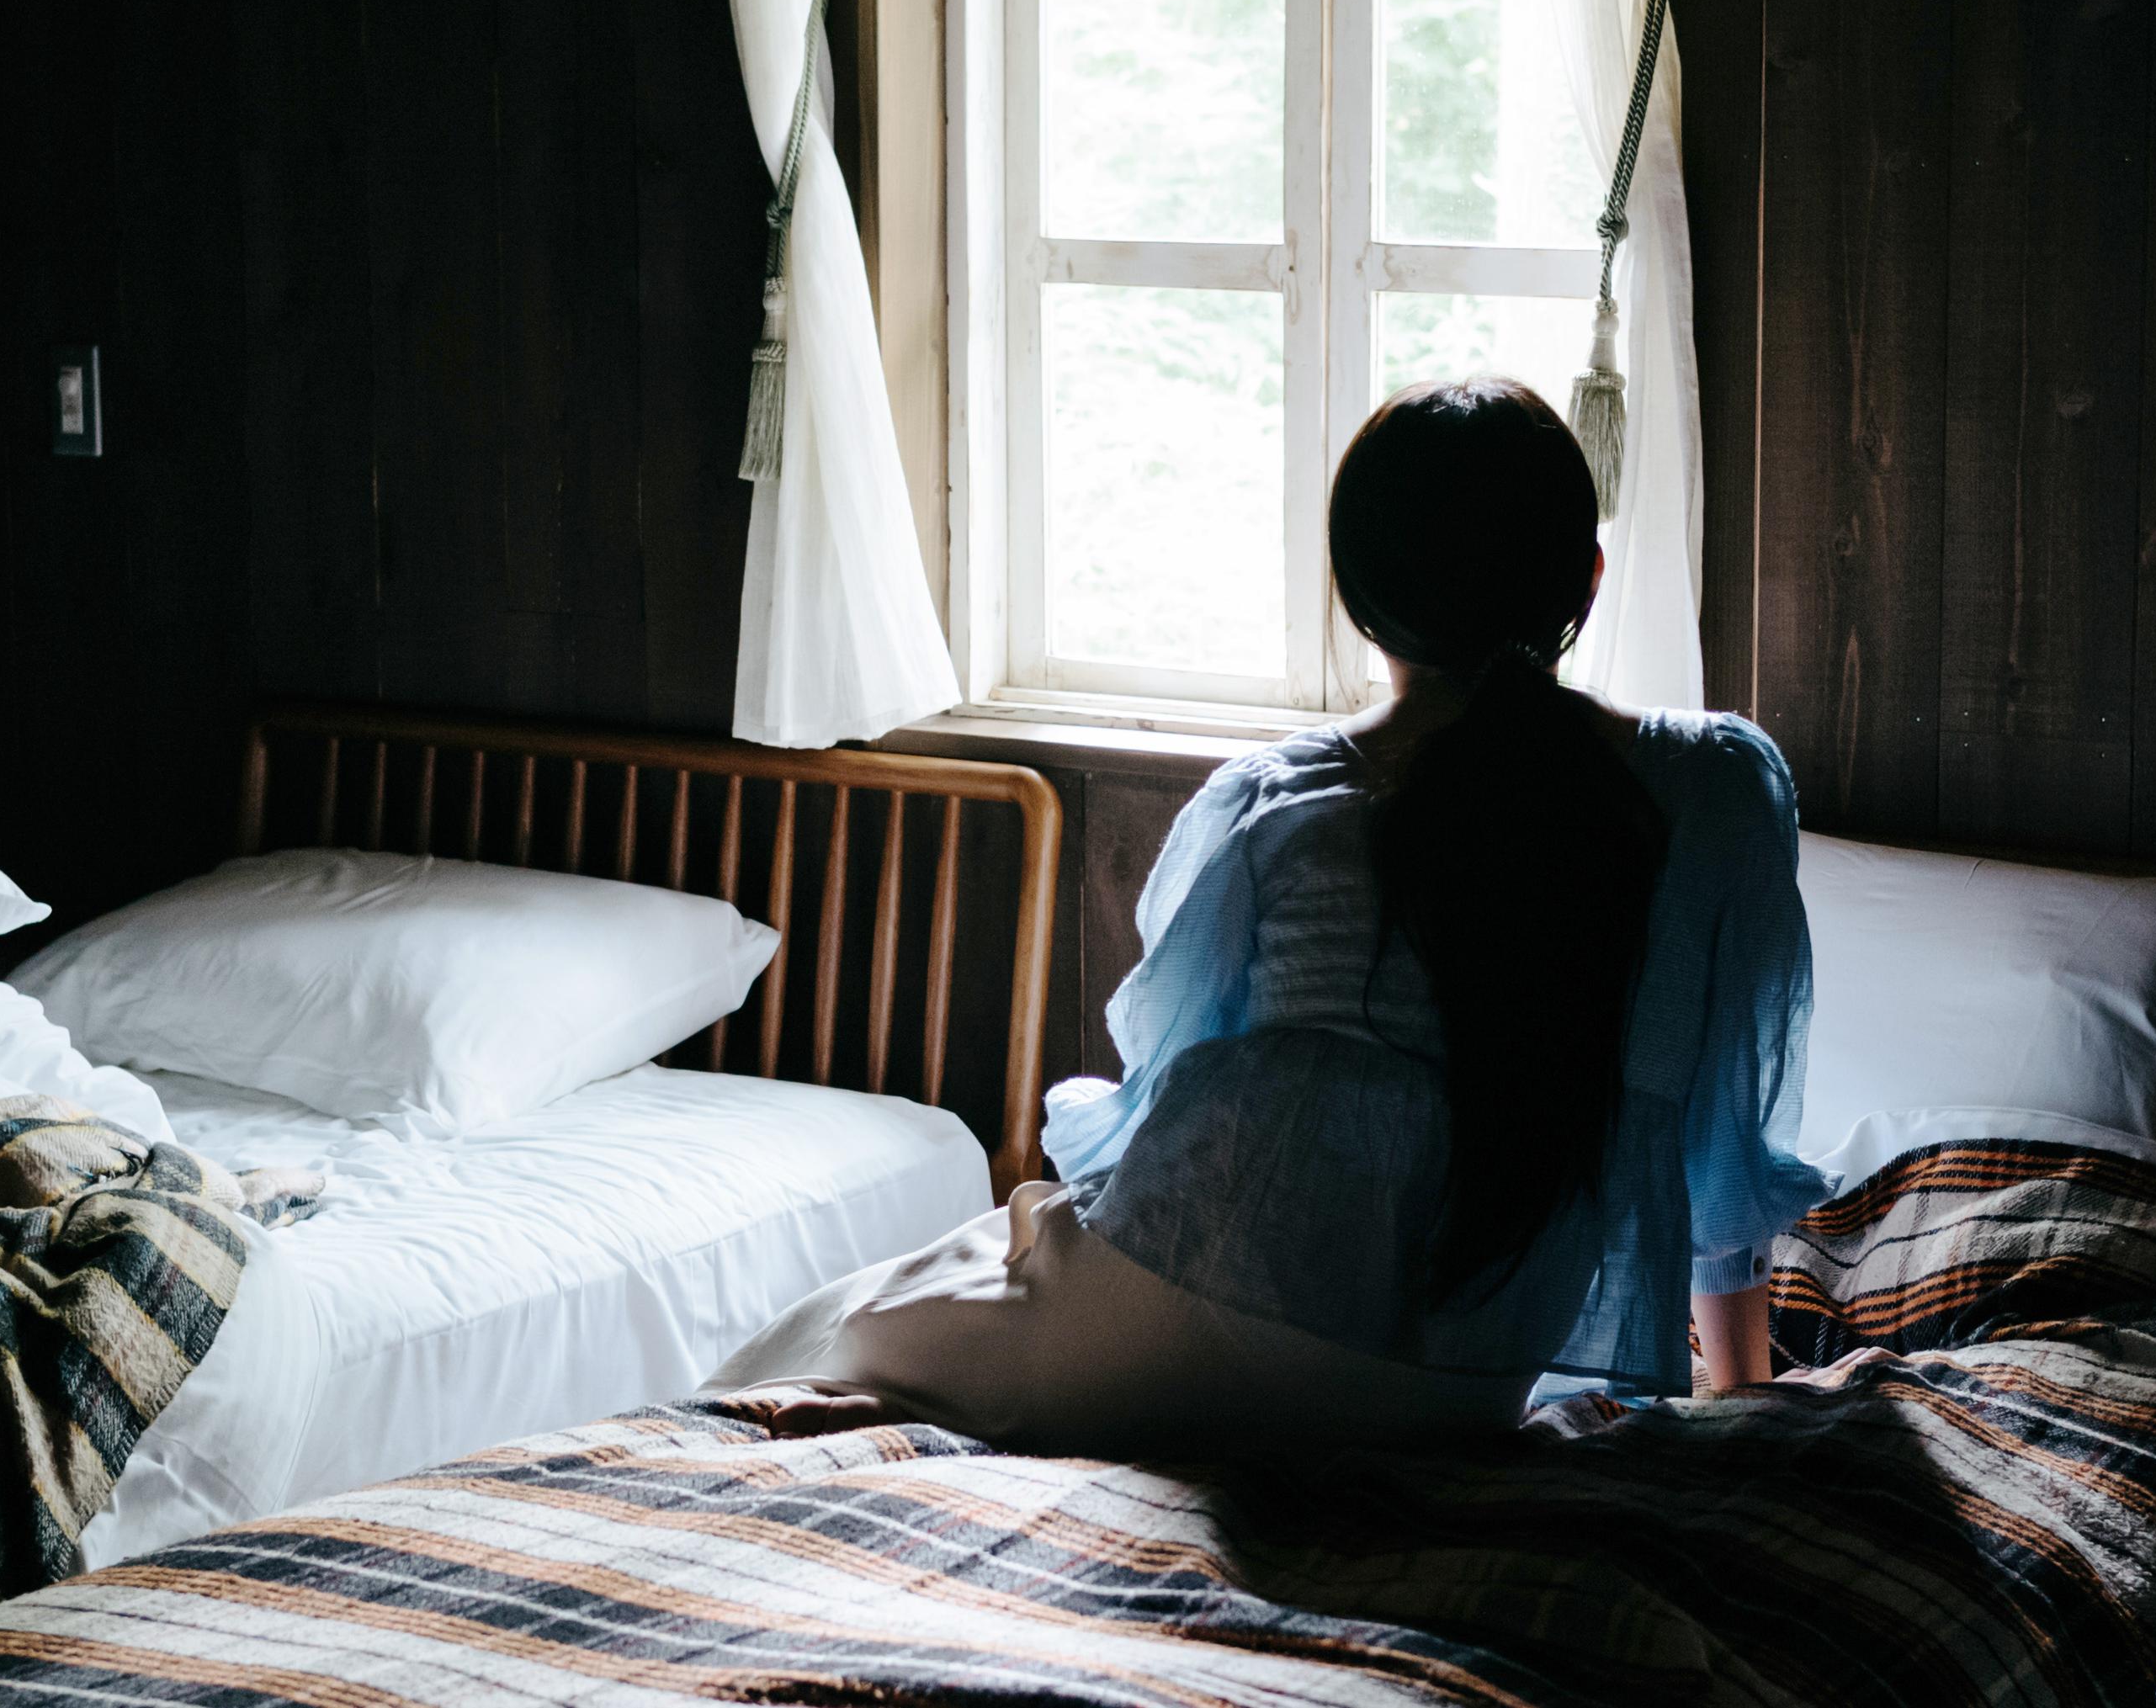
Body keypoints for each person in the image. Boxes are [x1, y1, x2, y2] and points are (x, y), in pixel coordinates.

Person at [707, 379, 1819, 1453]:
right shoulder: (1714, 786)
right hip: (1465, 1376)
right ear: (1585, 576)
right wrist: (1739, 1402)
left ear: (1358, 595)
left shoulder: (1280, 799)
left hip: (1194, 1314)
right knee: (937, 1296)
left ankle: (897, 1399)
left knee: (850, 1321)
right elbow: (1719, 1151)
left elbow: (1166, 1081)